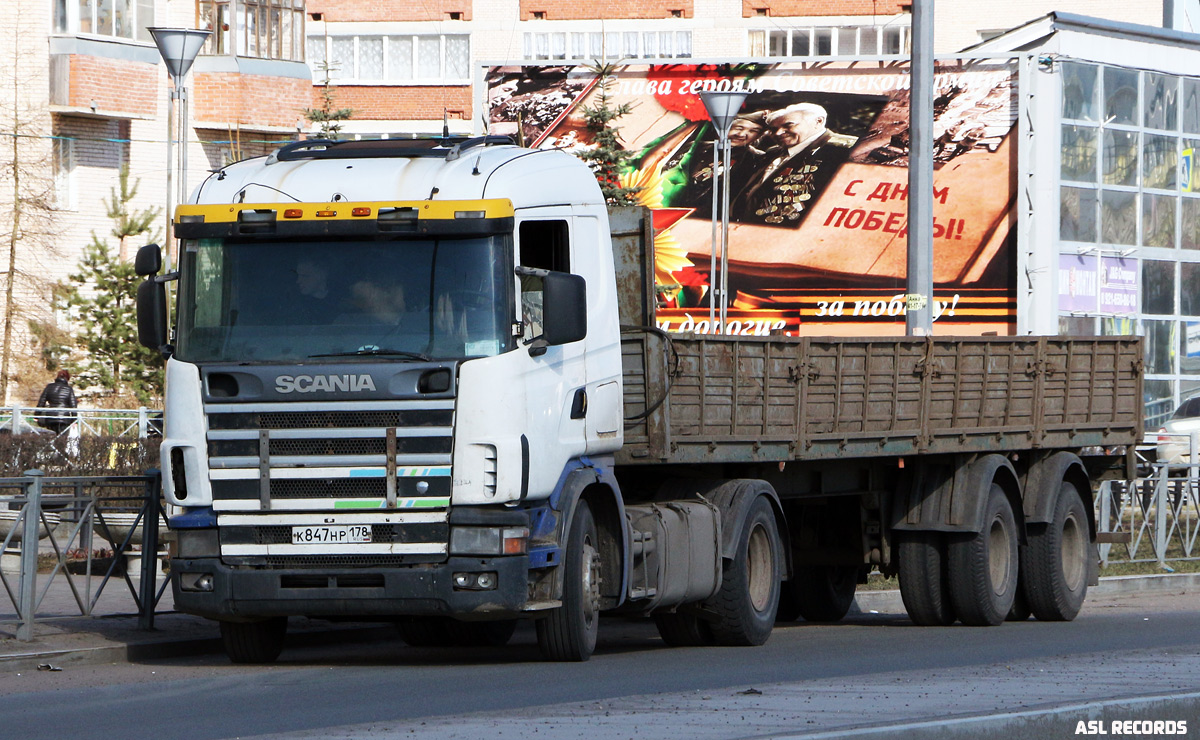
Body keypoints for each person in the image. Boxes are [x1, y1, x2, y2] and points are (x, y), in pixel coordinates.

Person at [733, 102, 857, 227]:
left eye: (788, 125)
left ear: (818, 121)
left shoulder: (847, 150)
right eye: (773, 129)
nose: (778, 133)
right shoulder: (773, 152)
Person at [679, 111, 769, 218]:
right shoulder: (696, 147)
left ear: (758, 136)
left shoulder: (757, 159)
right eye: (739, 128)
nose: (741, 135)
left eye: (753, 131)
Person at [36, 370, 77, 435]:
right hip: (64, 418)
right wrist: (74, 420)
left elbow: (41, 402)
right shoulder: (68, 389)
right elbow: (73, 406)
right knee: (62, 440)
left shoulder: (49, 387)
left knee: (51, 438)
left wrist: (36, 415)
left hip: (50, 417)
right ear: (67, 378)